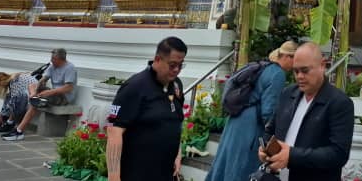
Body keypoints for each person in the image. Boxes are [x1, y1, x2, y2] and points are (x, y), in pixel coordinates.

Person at [260, 42, 354, 181]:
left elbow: (338, 154)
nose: (299, 76)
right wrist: (265, 149)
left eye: (305, 71)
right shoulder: (288, 94)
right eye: (296, 71)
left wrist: (292, 155)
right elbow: (270, 130)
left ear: (322, 65)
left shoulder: (339, 103)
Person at [206, 41, 297, 181]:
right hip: (250, 126)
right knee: (241, 167)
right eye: (295, 60)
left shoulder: (264, 66)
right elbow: (268, 110)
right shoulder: (278, 74)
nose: (295, 67)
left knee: (224, 163)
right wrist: (275, 134)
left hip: (236, 120)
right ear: (287, 57)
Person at [106, 36, 187, 181]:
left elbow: (175, 121)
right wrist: (113, 177)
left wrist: (178, 154)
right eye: (172, 65)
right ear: (157, 59)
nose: (177, 70)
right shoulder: (134, 87)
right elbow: (113, 130)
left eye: (181, 65)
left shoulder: (176, 85)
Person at [3, 48, 78, 141]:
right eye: (52, 58)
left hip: (64, 97)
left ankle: (19, 131)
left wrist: (49, 92)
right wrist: (37, 88)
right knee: (32, 85)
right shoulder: (53, 66)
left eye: (54, 59)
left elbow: (68, 88)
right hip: (53, 93)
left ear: (61, 59)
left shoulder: (70, 68)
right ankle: (33, 97)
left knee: (36, 103)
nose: (51, 60)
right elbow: (43, 79)